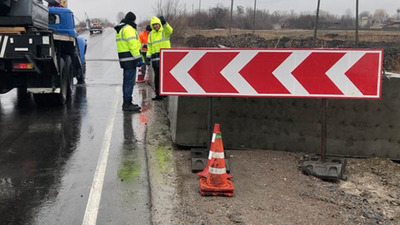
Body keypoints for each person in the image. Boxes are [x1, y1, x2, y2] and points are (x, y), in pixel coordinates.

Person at [114, 12, 142, 111]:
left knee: (126, 82)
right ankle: (127, 104)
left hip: (124, 58)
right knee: (129, 82)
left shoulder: (121, 29)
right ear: (133, 20)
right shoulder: (129, 29)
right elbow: (132, 45)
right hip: (130, 59)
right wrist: (138, 58)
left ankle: (127, 102)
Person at [146, 16, 173, 100]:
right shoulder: (151, 34)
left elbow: (170, 30)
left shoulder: (164, 32)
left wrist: (165, 23)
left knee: (164, 77)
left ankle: (165, 93)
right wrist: (148, 57)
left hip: (165, 58)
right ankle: (158, 94)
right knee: (157, 77)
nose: (155, 26)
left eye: (156, 24)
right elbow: (149, 47)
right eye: (153, 25)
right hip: (155, 59)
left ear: (159, 24)